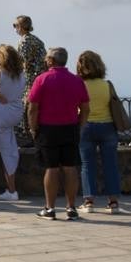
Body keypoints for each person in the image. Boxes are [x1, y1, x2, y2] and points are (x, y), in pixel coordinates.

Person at [27, 47, 89, 221]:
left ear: (51, 61)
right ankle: (71, 208)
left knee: (51, 168)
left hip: (47, 129)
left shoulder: (42, 79)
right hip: (70, 127)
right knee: (70, 168)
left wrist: (33, 128)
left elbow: (33, 108)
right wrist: (80, 126)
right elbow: (85, 108)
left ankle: (50, 208)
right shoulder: (77, 81)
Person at [76, 51, 120, 213]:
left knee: (87, 165)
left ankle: (89, 202)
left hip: (86, 126)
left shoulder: (80, 84)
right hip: (107, 126)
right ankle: (113, 202)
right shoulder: (107, 85)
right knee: (111, 165)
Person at [0, 45, 27, 202]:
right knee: (10, 145)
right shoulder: (21, 74)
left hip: (0, 112)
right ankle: (11, 187)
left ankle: (12, 190)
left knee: (6, 150)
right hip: (15, 111)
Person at [14, 16, 47, 97]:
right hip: (42, 76)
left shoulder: (24, 41)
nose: (14, 28)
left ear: (20, 26)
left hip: (31, 78)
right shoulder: (35, 39)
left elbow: (24, 62)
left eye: (15, 25)